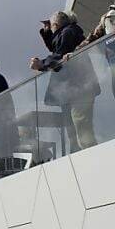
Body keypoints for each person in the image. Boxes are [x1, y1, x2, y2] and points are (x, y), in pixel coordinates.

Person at [33, 10, 101, 152]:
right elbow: (57, 47)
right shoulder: (68, 32)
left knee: (81, 125)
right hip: (72, 89)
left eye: (51, 26)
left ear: (56, 25)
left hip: (78, 87)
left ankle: (89, 156)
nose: (50, 28)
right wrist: (46, 33)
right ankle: (80, 155)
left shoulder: (68, 32)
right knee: (74, 129)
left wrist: (41, 64)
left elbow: (60, 54)